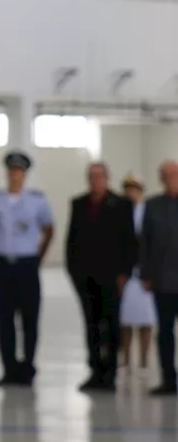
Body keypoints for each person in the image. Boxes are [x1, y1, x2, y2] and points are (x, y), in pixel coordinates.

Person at [0, 150, 54, 387]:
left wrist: (37, 257)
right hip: (4, 265)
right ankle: (8, 369)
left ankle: (28, 366)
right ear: (7, 173)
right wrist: (4, 247)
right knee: (4, 319)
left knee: (30, 318)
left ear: (25, 175)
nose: (15, 176)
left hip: (27, 265)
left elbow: (49, 229)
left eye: (20, 172)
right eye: (12, 171)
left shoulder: (37, 200)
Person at [64, 162, 136, 393]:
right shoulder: (79, 204)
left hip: (112, 277)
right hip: (85, 278)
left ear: (107, 178)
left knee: (111, 325)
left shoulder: (122, 205)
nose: (95, 180)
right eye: (91, 176)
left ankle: (110, 373)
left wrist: (125, 273)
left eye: (99, 176)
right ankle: (95, 371)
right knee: (91, 325)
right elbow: (71, 241)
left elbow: (129, 242)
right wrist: (74, 274)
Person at [140, 160, 178, 396]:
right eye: (166, 175)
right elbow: (145, 242)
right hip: (162, 281)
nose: (170, 178)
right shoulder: (152, 206)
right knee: (164, 332)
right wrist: (146, 274)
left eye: (174, 174)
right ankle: (168, 380)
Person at [119, 173, 156, 371]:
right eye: (128, 189)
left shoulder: (147, 212)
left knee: (145, 320)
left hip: (144, 274)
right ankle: (125, 358)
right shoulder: (120, 212)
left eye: (134, 189)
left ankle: (143, 360)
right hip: (126, 274)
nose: (131, 193)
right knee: (125, 321)